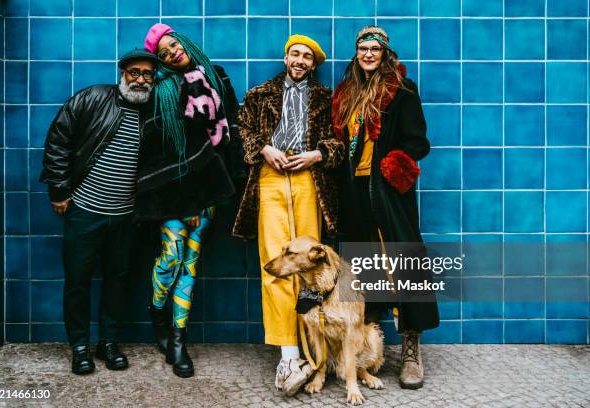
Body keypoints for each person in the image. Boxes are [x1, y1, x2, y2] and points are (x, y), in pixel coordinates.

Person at [233, 34, 344, 394]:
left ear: (313, 65)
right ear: (285, 58)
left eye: (306, 57)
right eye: (294, 54)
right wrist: (264, 148)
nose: (299, 60)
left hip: (309, 181)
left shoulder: (328, 99)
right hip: (270, 179)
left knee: (311, 266)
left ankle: (315, 354)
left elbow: (341, 144)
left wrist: (317, 154)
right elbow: (241, 131)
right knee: (276, 265)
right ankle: (288, 356)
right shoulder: (258, 95)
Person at [332, 26, 440, 389]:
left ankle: (411, 348)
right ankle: (369, 348)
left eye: (374, 49)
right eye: (362, 48)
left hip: (389, 191)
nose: (367, 54)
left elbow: (418, 142)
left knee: (403, 260)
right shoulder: (346, 93)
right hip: (355, 193)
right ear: (356, 53)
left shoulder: (402, 92)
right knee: (364, 266)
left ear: (384, 53)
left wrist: (394, 163)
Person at [39, 49, 158, 375]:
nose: (140, 79)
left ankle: (108, 343)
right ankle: (79, 346)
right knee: (78, 281)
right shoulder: (93, 98)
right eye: (134, 72)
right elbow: (59, 139)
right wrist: (60, 191)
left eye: (147, 74)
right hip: (84, 211)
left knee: (118, 280)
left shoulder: (154, 113)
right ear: (122, 73)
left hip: (126, 216)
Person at [140, 23, 244, 378]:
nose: (171, 53)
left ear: (183, 42)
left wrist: (227, 188)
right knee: (171, 258)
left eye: (173, 45)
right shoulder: (163, 91)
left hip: (210, 189)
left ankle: (178, 338)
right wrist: (187, 205)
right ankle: (157, 315)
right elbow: (163, 154)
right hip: (174, 193)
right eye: (163, 54)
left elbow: (231, 129)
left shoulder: (217, 77)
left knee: (190, 264)